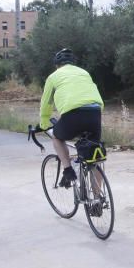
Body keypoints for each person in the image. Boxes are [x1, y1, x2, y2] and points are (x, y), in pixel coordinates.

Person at [39, 48, 104, 188]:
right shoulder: (84, 72)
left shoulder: (54, 76)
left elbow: (46, 104)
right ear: (73, 63)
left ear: (57, 65)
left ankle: (68, 170)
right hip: (95, 113)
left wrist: (44, 124)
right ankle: (98, 199)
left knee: (57, 137)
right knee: (94, 157)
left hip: (73, 113)